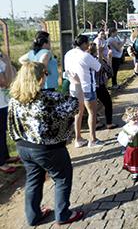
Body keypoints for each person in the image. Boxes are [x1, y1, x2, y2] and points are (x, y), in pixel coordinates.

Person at [8, 62, 84, 226]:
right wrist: (74, 84)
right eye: (45, 74)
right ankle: (63, 214)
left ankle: (33, 216)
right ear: (40, 77)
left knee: (33, 180)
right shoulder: (49, 98)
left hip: (23, 147)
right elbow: (75, 106)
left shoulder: (14, 99)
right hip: (48, 149)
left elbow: (11, 123)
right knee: (62, 177)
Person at [64, 35, 103, 148]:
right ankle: (93, 139)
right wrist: (99, 53)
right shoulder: (85, 55)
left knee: (78, 113)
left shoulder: (68, 54)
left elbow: (67, 71)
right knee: (92, 113)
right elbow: (99, 67)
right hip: (87, 87)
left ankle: (78, 139)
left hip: (74, 87)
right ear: (85, 44)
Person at [88, 43, 117, 129]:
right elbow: (109, 71)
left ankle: (96, 122)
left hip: (89, 87)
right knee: (108, 103)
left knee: (93, 105)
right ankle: (109, 123)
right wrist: (109, 58)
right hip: (99, 86)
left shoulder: (85, 61)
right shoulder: (97, 60)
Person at [0, 50, 18, 174]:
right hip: (0, 104)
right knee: (0, 133)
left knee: (3, 132)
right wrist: (6, 62)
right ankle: (1, 163)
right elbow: (5, 83)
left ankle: (5, 156)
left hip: (4, 102)